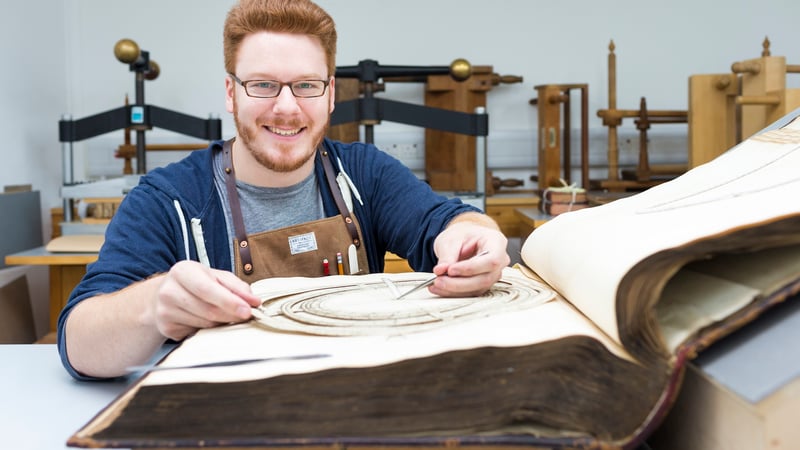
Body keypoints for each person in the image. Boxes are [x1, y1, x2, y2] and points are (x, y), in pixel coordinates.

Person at [57, 0, 510, 380]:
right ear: (231, 94)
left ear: (330, 94)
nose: (287, 107)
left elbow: (446, 220)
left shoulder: (364, 174)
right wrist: (153, 305)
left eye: (306, 86)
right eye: (263, 85)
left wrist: (471, 235)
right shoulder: (170, 198)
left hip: (360, 404)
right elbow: (79, 343)